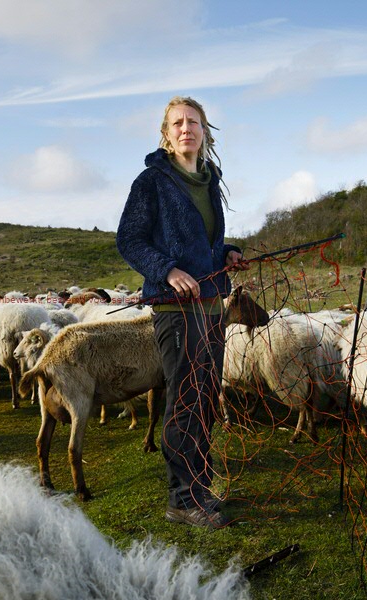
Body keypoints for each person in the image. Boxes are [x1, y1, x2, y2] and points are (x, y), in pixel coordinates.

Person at [116, 96, 247, 529]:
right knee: (186, 400)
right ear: (166, 133)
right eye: (177, 123)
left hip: (211, 305)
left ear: (205, 131)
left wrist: (226, 254)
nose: (185, 128)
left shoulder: (209, 180)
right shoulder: (152, 181)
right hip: (175, 309)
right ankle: (182, 500)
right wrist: (166, 270)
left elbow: (202, 244)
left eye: (193, 122)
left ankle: (200, 487)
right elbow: (130, 240)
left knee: (207, 398)